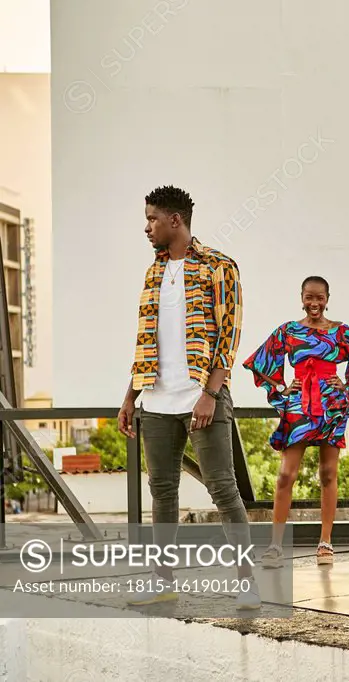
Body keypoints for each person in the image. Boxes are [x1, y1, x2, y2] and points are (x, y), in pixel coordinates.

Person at [117, 185, 260, 609]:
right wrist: (130, 397)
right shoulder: (154, 272)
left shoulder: (219, 266)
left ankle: (247, 581)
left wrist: (210, 393)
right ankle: (163, 581)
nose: (146, 228)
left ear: (174, 220)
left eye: (152, 219)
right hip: (156, 401)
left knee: (223, 488)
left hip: (202, 396)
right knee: (161, 491)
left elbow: (229, 334)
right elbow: (146, 340)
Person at [243, 276, 349, 567]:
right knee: (286, 474)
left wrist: (346, 387)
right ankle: (275, 545)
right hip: (299, 404)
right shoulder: (288, 331)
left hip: (331, 404)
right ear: (301, 297)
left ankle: (325, 542)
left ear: (327, 298)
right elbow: (262, 361)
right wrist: (282, 388)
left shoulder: (341, 332)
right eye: (309, 297)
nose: (314, 303)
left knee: (327, 474)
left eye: (319, 298)